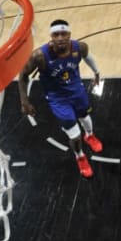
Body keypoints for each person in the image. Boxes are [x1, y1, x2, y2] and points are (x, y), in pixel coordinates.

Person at [18, 19, 104, 179]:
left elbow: (88, 56)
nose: (60, 37)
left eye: (63, 34)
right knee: (74, 135)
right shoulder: (39, 56)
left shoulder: (80, 47)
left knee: (85, 117)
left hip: (77, 91)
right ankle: (80, 157)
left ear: (69, 35)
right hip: (58, 99)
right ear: (51, 36)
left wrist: (97, 73)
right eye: (56, 34)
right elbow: (23, 76)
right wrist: (25, 101)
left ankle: (90, 135)